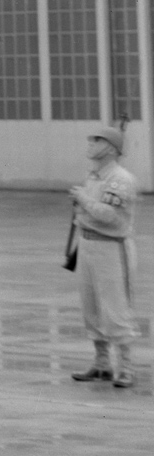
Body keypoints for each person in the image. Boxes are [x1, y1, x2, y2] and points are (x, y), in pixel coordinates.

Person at [67, 126, 138, 389]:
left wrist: (82, 199)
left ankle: (127, 366)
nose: (90, 143)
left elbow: (108, 215)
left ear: (110, 147)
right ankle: (101, 362)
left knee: (115, 307)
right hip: (88, 244)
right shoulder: (95, 176)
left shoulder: (120, 179)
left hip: (111, 247)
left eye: (96, 140)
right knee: (92, 307)